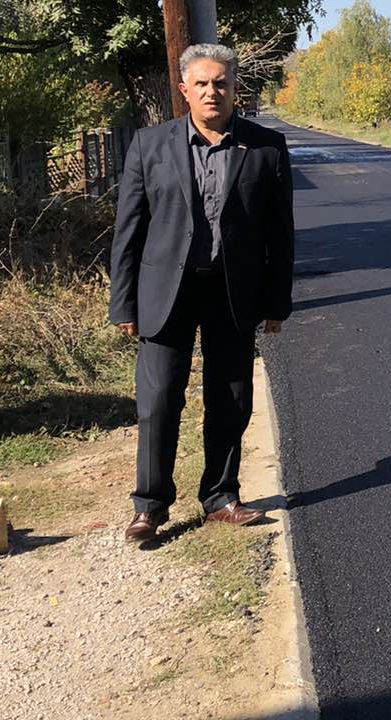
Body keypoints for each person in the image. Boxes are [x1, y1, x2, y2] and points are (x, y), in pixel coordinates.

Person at [110, 43, 294, 543]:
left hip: (233, 292)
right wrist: (123, 302)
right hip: (165, 291)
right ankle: (149, 507)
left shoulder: (266, 147)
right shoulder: (150, 145)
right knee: (158, 399)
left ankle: (221, 497)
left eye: (222, 83)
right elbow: (128, 230)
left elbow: (281, 234)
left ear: (235, 88)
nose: (212, 92)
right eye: (203, 83)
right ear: (184, 89)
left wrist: (277, 303)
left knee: (231, 397)